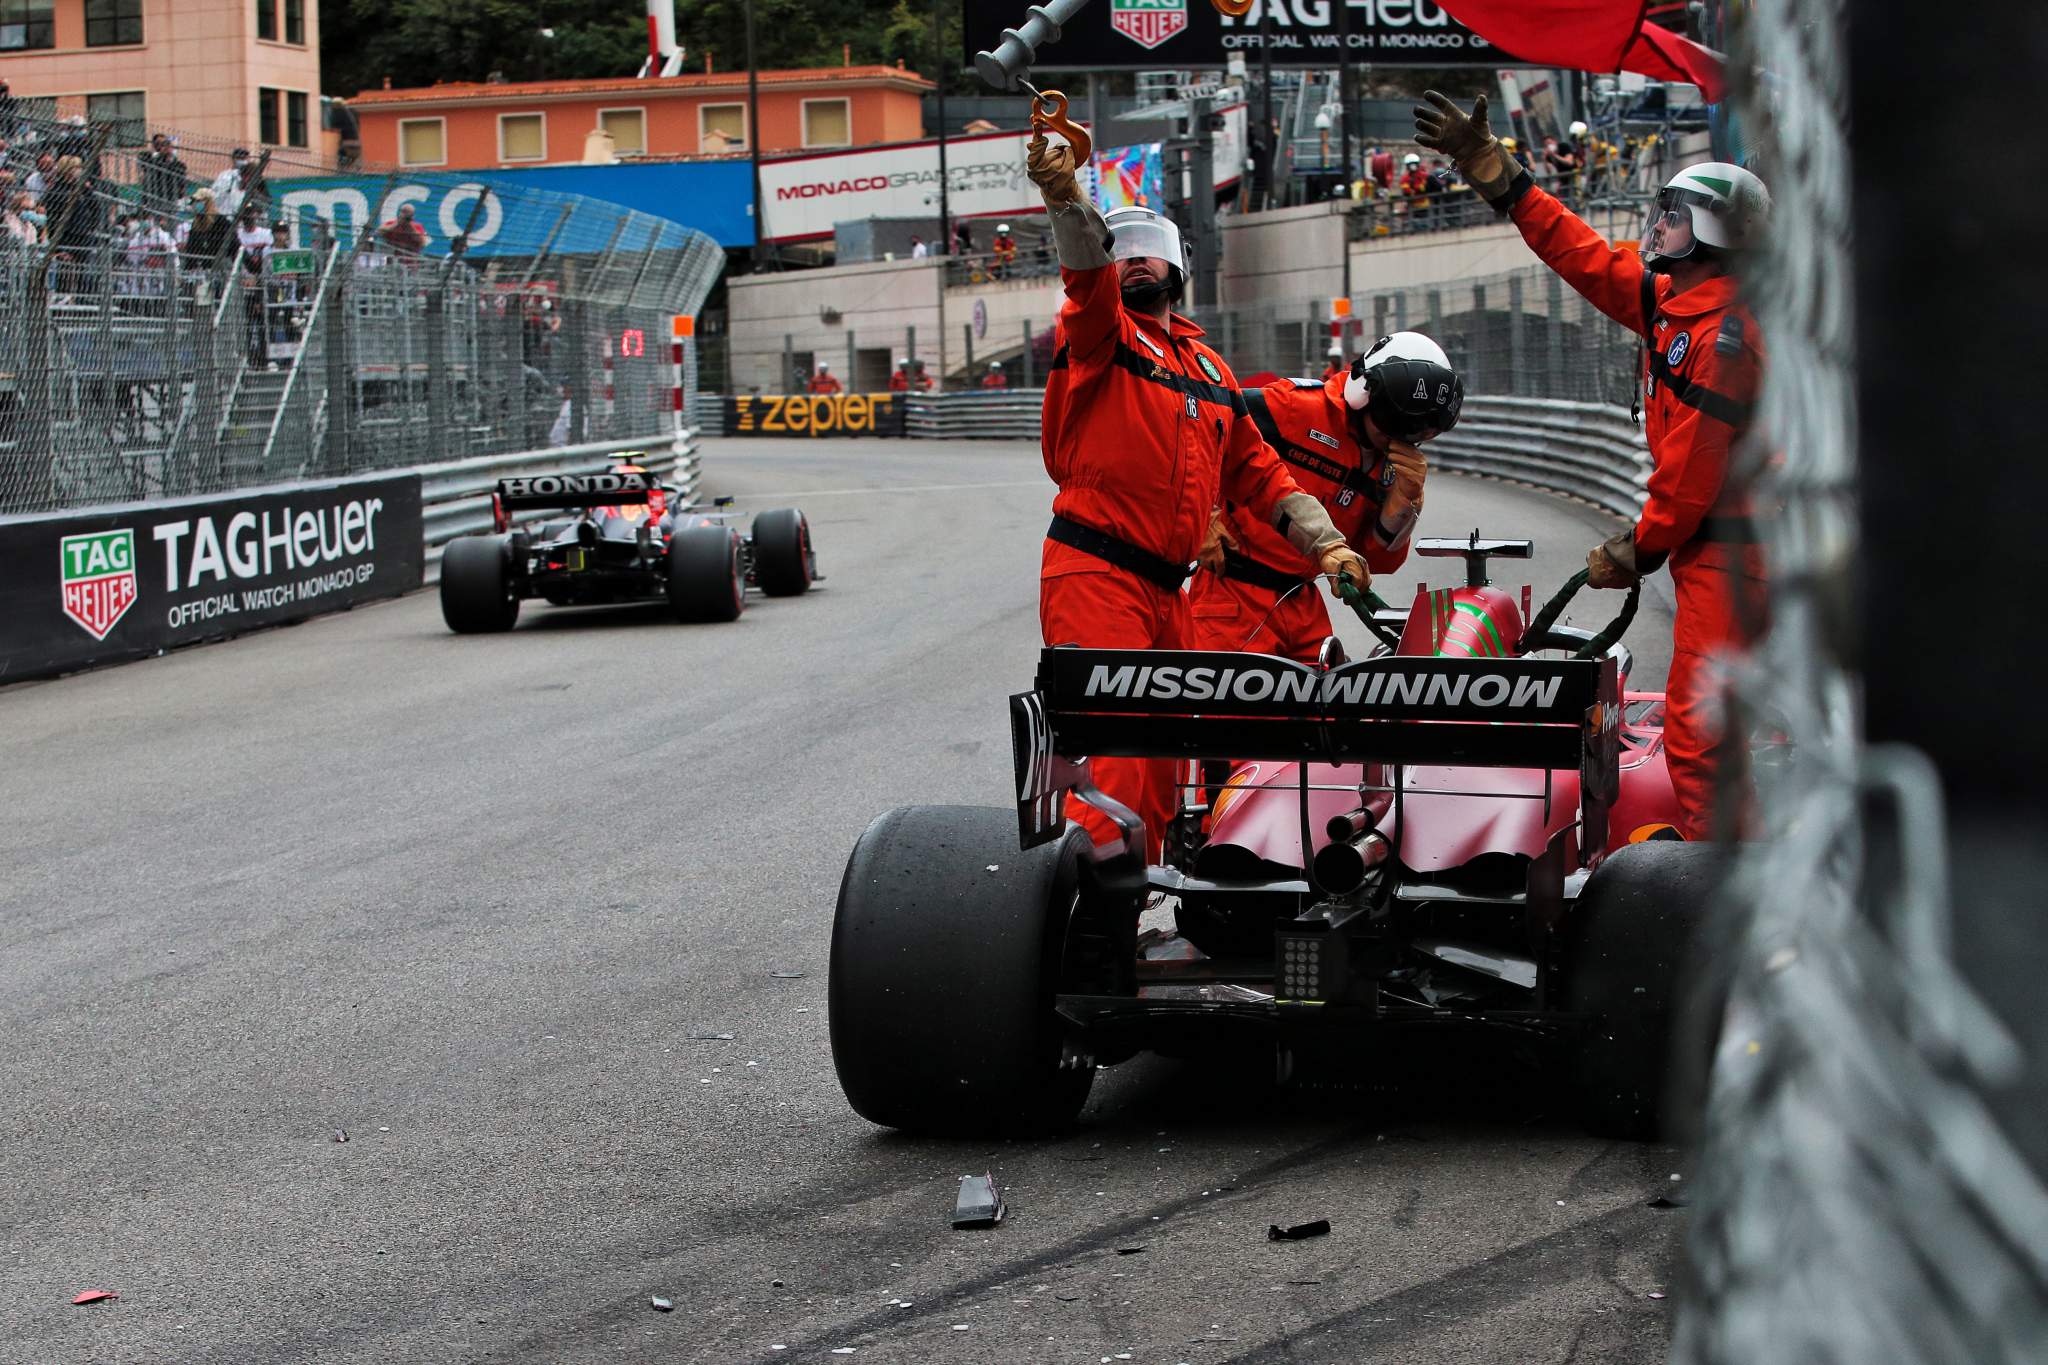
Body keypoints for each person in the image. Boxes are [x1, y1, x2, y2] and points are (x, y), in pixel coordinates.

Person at [1417, 91, 1769, 842]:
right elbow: (1579, 254)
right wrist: (1502, 178)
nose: (1658, 225)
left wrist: (1637, 549)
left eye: (1675, 214)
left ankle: (1720, 896)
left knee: (1703, 735)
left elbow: (1691, 473)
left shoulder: (1724, 337)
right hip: (1731, 553)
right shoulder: (1678, 302)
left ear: (1710, 230)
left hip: (1741, 556)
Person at [1026, 129, 1368, 861]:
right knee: (1116, 763)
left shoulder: (1208, 367)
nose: (1131, 258)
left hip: (1170, 589)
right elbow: (1085, 275)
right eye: (1120, 250)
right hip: (1097, 573)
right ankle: (1092, 935)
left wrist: (1328, 542)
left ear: (1178, 265)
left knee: (1162, 766)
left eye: (1147, 247)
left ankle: (1130, 926)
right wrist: (1069, 200)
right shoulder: (1100, 336)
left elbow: (1260, 471)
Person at [1188, 333, 1457, 663]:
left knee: (1326, 708)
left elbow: (1378, 562)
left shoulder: (1396, 467)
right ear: (1366, 393)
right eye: (1396, 421)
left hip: (1303, 604)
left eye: (1417, 430)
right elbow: (1198, 429)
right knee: (1235, 712)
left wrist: (1404, 505)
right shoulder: (1295, 407)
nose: (1400, 436)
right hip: (1232, 598)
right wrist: (1200, 517)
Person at [139, 133, 188, 211]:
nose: (163, 146)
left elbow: (182, 181)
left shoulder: (178, 164)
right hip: (154, 199)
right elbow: (142, 159)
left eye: (165, 143)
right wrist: (158, 153)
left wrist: (169, 157)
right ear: (155, 145)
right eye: (160, 144)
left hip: (171, 199)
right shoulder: (151, 159)